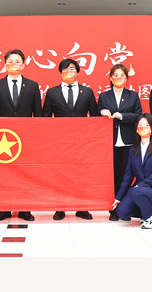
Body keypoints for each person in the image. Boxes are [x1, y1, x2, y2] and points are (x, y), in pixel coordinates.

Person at [0, 49, 43, 221]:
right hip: (3, 139)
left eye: (17, 61)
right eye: (10, 61)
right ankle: (4, 209)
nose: (14, 64)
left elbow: (38, 115)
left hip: (26, 138)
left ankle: (25, 209)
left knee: (25, 173)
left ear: (23, 65)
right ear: (5, 65)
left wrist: (36, 138)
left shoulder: (32, 86)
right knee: (4, 174)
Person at [42, 58, 98, 220]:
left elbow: (95, 118)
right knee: (60, 175)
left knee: (81, 174)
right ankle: (60, 208)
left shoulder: (87, 92)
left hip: (82, 142)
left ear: (78, 73)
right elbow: (45, 119)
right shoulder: (52, 92)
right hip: (59, 142)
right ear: (60, 74)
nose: (68, 72)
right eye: (65, 70)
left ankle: (82, 208)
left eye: (72, 69)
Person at [98, 63, 143, 221]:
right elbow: (96, 114)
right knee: (113, 175)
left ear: (126, 78)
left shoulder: (133, 95)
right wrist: (102, 112)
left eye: (122, 75)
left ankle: (125, 207)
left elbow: (138, 115)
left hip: (127, 141)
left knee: (126, 175)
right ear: (111, 78)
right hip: (109, 141)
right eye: (115, 75)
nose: (118, 78)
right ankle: (113, 208)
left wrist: (122, 116)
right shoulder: (104, 96)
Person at [112, 113, 152, 229]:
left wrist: (141, 185)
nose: (143, 127)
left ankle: (150, 218)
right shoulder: (133, 149)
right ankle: (147, 211)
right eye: (140, 125)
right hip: (138, 191)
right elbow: (128, 176)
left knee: (135, 191)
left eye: (147, 125)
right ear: (137, 128)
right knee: (121, 212)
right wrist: (118, 197)